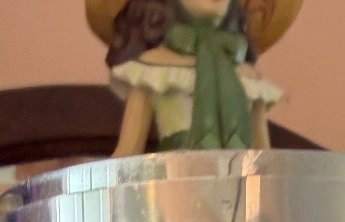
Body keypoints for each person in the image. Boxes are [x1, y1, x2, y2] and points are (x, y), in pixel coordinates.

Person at [85, 0, 303, 155]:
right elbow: (127, 152)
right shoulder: (153, 69)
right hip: (174, 192)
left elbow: (263, 160)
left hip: (240, 197)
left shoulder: (248, 78)